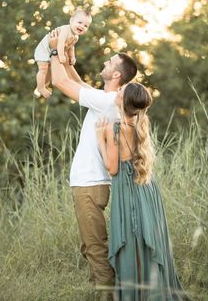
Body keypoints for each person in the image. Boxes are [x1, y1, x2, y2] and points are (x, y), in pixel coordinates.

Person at [49, 32, 137, 298]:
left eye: (110, 62)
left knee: (95, 246)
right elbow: (76, 82)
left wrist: (53, 52)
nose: (105, 63)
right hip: (90, 183)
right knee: (90, 245)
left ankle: (107, 294)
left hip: (90, 184)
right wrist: (66, 54)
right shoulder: (105, 98)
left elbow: (60, 82)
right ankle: (99, 291)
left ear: (116, 75)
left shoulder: (109, 101)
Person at [96, 83, 192, 301]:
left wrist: (100, 138)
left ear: (124, 101)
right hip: (147, 189)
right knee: (146, 240)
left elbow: (112, 169)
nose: (117, 91)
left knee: (132, 241)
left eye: (121, 91)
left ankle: (137, 294)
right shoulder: (141, 123)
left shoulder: (114, 128)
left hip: (128, 191)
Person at [34, 9, 92, 98]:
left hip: (52, 51)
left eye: (86, 26)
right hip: (44, 49)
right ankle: (41, 87)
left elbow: (71, 47)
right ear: (71, 20)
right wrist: (61, 56)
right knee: (43, 69)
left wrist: (72, 57)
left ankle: (42, 85)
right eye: (79, 22)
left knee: (49, 71)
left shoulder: (76, 37)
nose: (82, 26)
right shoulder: (65, 29)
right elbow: (60, 43)